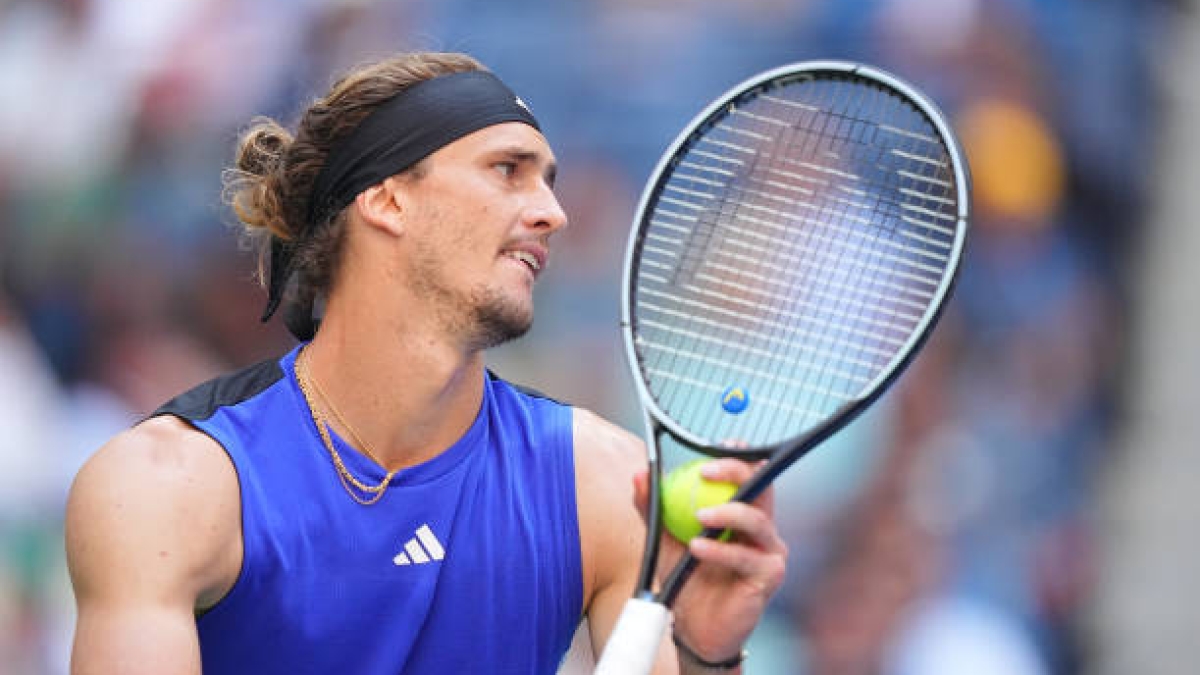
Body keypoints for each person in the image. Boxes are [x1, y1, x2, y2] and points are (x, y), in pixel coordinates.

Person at [64, 52, 787, 674]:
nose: (551, 212)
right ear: (386, 200)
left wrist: (704, 652)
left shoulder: (598, 483)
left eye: (549, 180)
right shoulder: (169, 487)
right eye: (509, 170)